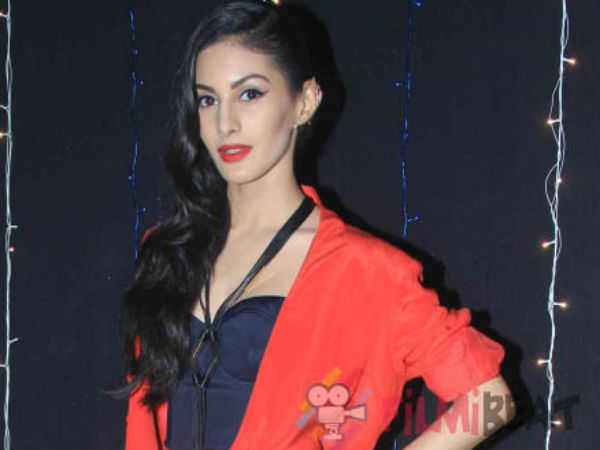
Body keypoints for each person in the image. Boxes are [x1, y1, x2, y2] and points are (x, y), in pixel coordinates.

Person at [117, 1, 514, 449]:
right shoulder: (167, 250)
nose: (226, 124)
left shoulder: (366, 270)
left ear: (304, 102)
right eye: (208, 100)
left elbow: (490, 400)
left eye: (250, 94)